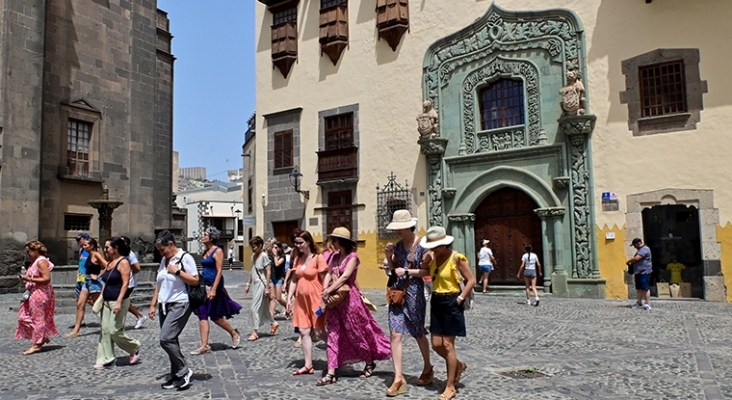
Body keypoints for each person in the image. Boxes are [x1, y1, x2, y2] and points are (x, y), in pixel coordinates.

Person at [318, 227, 392, 386]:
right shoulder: (334, 256)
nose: (332, 243)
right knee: (333, 333)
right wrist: (325, 290)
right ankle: (331, 372)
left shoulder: (353, 257)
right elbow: (329, 274)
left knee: (356, 333)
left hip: (350, 301)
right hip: (334, 302)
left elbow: (345, 277)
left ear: (341, 242)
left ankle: (369, 360)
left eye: (335, 240)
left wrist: (328, 290)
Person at [420, 226, 476, 400]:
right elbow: (425, 271)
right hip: (437, 301)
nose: (432, 249)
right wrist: (426, 258)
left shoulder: (456, 258)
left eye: (434, 246)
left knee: (447, 345)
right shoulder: (434, 258)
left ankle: (450, 386)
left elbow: (471, 280)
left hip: (452, 300)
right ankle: (457, 365)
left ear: (444, 245)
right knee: (436, 343)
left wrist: (460, 298)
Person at [383, 210, 432, 397]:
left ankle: (428, 367)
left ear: (409, 226)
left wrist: (408, 272)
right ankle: (398, 377)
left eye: (400, 228)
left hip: (415, 293)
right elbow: (394, 268)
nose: (397, 232)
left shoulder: (422, 245)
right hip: (398, 293)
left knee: (418, 331)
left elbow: (426, 271)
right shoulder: (398, 245)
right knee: (395, 333)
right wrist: (389, 257)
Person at [149, 230, 199, 390]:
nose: (161, 252)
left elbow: (195, 281)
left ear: (171, 244)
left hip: (180, 303)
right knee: (172, 340)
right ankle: (176, 375)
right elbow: (159, 283)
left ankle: (184, 370)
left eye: (162, 249)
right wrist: (152, 304)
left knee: (166, 338)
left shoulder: (185, 258)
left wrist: (178, 271)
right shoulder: (164, 260)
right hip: (164, 305)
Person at [191, 227, 242, 354]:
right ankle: (204, 345)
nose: (202, 236)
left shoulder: (217, 251)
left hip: (215, 286)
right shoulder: (205, 252)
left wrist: (213, 289)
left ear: (211, 237)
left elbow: (219, 271)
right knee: (202, 313)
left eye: (205, 234)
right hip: (204, 286)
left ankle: (233, 333)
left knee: (214, 315)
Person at [95, 237, 141, 370]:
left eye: (107, 247)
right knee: (105, 331)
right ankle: (106, 358)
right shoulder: (110, 262)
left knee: (114, 330)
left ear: (115, 249)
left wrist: (119, 302)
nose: (105, 250)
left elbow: (125, 283)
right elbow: (106, 281)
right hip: (107, 300)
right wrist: (102, 296)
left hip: (117, 300)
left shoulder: (123, 262)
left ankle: (134, 346)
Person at [286, 230, 327, 375]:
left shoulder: (318, 258)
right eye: (296, 243)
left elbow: (325, 278)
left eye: (300, 243)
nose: (297, 246)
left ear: (308, 242)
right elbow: (294, 280)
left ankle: (337, 353)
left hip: (316, 299)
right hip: (301, 301)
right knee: (304, 331)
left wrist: (325, 297)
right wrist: (289, 298)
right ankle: (308, 364)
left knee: (320, 331)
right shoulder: (297, 259)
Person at [16, 240, 57, 355]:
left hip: (40, 293)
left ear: (35, 250)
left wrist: (28, 279)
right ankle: (41, 336)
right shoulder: (36, 262)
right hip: (33, 292)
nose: (28, 254)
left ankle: (37, 344)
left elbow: (46, 279)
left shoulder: (41, 262)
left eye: (29, 251)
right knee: (24, 316)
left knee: (38, 319)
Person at [65, 237, 108, 338]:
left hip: (94, 283)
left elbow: (108, 266)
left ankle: (108, 326)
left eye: (85, 245)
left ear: (91, 246)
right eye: (83, 245)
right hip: (86, 281)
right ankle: (76, 330)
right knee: (80, 304)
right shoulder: (88, 254)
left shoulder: (96, 254)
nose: (83, 247)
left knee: (99, 306)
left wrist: (98, 276)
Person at [244, 236, 277, 341]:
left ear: (260, 246)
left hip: (262, 285)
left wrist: (267, 287)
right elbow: (252, 270)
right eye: (252, 247)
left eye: (254, 246)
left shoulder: (264, 256)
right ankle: (274, 323)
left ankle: (255, 331)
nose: (253, 249)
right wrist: (248, 284)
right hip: (255, 285)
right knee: (264, 308)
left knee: (255, 307)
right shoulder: (253, 256)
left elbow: (268, 272)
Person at [120, 236, 147, 329]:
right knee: (123, 301)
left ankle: (139, 316)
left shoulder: (130, 254)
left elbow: (137, 268)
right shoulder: (119, 253)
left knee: (122, 301)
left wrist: (129, 274)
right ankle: (139, 316)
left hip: (128, 283)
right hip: (120, 282)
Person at [70, 233, 90, 330]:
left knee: (87, 300)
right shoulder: (81, 250)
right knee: (79, 300)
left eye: (79, 240)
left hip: (87, 277)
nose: (77, 242)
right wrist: (78, 273)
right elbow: (80, 263)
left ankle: (103, 312)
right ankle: (80, 322)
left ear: (86, 239)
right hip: (81, 277)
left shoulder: (91, 250)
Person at [627, 238, 652, 310]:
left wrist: (629, 261)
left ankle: (647, 303)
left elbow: (637, 258)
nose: (634, 247)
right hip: (639, 272)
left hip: (644, 272)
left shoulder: (644, 249)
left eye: (634, 245)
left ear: (638, 243)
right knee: (639, 288)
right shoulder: (640, 250)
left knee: (645, 288)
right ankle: (639, 302)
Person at [269, 242, 288, 318]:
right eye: (273, 247)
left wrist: (275, 255)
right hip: (272, 278)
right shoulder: (270, 256)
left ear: (280, 248)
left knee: (279, 298)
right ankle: (271, 316)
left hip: (279, 278)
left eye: (276, 247)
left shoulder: (282, 256)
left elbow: (277, 264)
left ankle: (289, 308)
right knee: (272, 297)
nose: (274, 249)